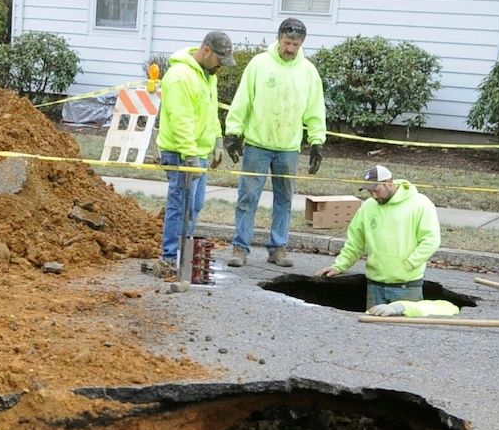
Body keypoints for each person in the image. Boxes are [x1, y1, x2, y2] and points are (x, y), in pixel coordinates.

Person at [223, 17, 326, 268]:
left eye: (296, 44)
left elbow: (315, 109)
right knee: (248, 197)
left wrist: (317, 141)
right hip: (258, 144)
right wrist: (234, 132)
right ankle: (240, 247)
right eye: (288, 42)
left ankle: (278, 247)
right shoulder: (259, 64)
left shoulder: (308, 72)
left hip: (288, 148)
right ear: (279, 38)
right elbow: (243, 99)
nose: (291, 49)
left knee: (285, 199)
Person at [151, 31, 234, 279]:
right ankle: (169, 258)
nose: (221, 66)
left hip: (199, 152)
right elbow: (181, 121)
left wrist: (217, 141)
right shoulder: (180, 77)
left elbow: (210, 114)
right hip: (180, 153)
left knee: (194, 206)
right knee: (181, 205)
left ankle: (183, 255)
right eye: (220, 59)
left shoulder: (208, 76)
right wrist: (190, 156)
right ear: (206, 51)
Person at [316, 165, 442, 309]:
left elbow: (431, 239)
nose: (374, 196)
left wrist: (409, 264)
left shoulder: (420, 204)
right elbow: (355, 242)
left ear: (389, 183)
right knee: (372, 330)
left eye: (376, 190)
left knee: (403, 330)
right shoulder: (368, 207)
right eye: (370, 192)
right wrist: (339, 266)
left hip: (406, 287)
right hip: (375, 286)